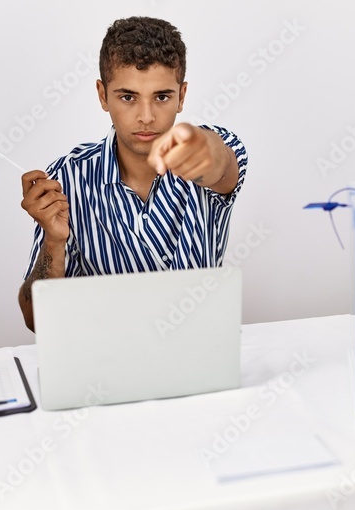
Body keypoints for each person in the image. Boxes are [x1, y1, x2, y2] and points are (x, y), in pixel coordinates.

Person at [17, 17, 247, 331]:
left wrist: (204, 148)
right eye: (128, 97)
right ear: (102, 95)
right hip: (104, 361)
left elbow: (220, 165)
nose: (146, 117)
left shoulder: (203, 150)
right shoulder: (66, 176)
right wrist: (55, 242)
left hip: (197, 351)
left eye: (162, 97)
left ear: (182, 96)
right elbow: (36, 321)